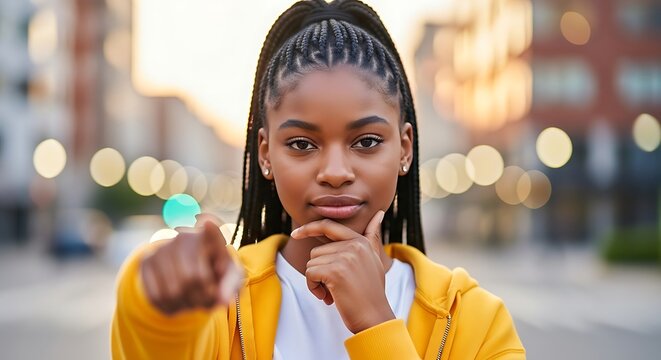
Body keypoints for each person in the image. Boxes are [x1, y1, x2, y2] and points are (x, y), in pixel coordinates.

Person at [111, 0, 526, 359]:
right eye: (302, 144)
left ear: (404, 148)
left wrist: (375, 323)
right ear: (265, 153)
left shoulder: (475, 321)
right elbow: (153, 340)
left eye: (365, 141)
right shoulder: (220, 305)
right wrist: (153, 295)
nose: (334, 172)